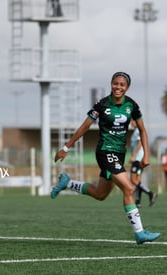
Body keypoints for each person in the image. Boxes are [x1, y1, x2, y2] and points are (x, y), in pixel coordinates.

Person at [51, 72, 160, 245]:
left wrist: (146, 154)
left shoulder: (132, 105)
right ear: (111, 84)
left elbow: (143, 130)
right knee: (129, 189)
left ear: (127, 87)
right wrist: (66, 147)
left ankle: (68, 183)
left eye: (122, 84)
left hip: (119, 154)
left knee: (100, 194)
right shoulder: (102, 104)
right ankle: (139, 233)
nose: (118, 87)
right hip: (104, 152)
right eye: (115, 83)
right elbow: (85, 127)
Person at [129, 119, 157, 208]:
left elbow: (139, 143)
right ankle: (138, 201)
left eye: (132, 122)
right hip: (139, 159)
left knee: (133, 180)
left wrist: (133, 156)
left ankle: (150, 193)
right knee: (138, 180)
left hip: (137, 159)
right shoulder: (136, 131)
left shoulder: (137, 131)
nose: (131, 123)